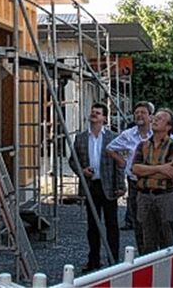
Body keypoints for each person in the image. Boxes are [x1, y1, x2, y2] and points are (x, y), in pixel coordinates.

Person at [70, 103, 123, 272]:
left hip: (107, 186)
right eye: (92, 112)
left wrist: (121, 185)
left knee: (112, 224)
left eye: (98, 113)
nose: (94, 115)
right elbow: (73, 160)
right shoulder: (80, 138)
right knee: (92, 225)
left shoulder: (113, 137)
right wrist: (81, 171)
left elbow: (118, 163)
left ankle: (114, 259)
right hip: (90, 185)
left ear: (104, 118)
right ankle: (93, 259)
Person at [132, 108, 173, 253]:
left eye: (160, 119)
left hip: (166, 196)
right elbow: (135, 169)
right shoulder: (142, 145)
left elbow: (170, 172)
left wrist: (147, 170)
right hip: (145, 196)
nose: (155, 119)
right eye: (155, 117)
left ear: (168, 126)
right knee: (146, 239)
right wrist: (160, 169)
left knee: (168, 240)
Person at [107, 101, 153, 247]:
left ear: (150, 116)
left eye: (143, 113)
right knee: (138, 219)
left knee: (154, 218)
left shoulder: (157, 132)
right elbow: (110, 148)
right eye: (137, 113)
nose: (139, 115)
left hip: (154, 181)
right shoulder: (128, 134)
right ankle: (142, 252)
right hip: (135, 181)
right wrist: (123, 162)